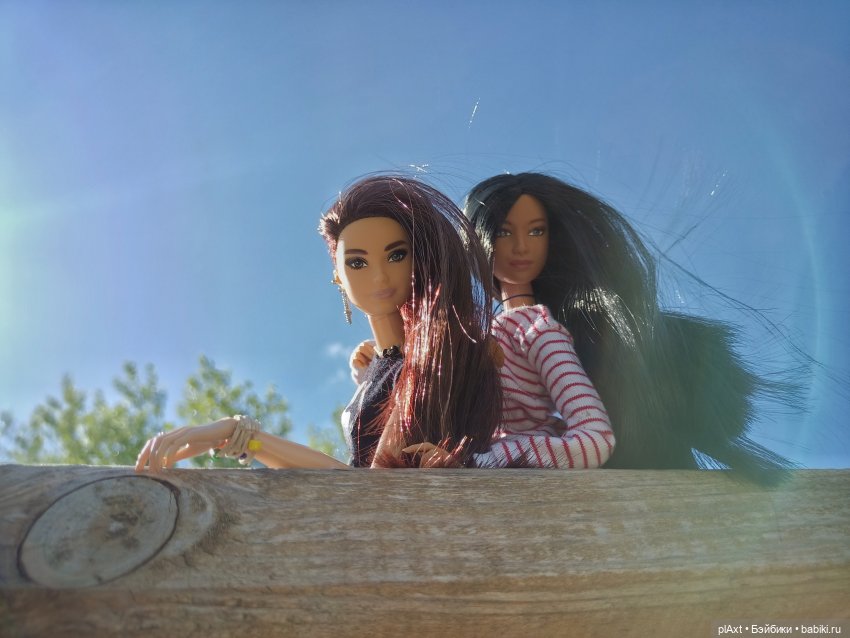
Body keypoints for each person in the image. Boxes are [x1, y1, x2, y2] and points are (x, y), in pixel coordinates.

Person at [135, 175, 502, 472]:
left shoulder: (429, 365)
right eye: (357, 263)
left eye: (396, 255)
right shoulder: (379, 369)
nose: (378, 276)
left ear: (418, 261)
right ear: (338, 276)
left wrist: (239, 435)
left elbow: (371, 490)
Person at [462, 172, 793, 480]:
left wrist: (500, 453)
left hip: (532, 492)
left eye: (536, 231)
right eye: (505, 231)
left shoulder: (538, 332)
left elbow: (594, 439)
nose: (521, 246)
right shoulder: (482, 334)